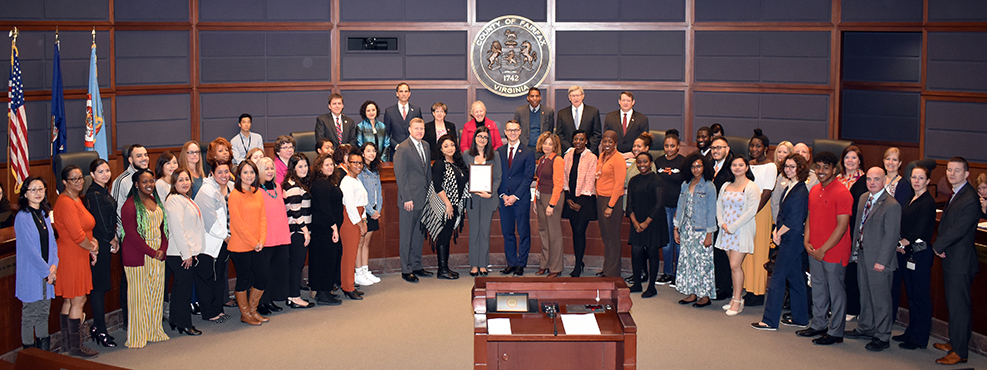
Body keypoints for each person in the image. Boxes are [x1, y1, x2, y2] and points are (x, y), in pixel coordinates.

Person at [796, 151, 853, 346]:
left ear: (834, 170)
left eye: (825, 168)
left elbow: (842, 226)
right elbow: (810, 217)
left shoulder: (843, 193)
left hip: (834, 251)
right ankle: (819, 324)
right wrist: (807, 240)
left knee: (836, 291)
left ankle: (836, 331)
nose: (820, 171)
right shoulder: (814, 190)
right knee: (818, 288)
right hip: (815, 248)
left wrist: (824, 249)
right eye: (817, 167)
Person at [843, 167, 901, 351]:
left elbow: (891, 237)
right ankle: (866, 327)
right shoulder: (863, 198)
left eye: (876, 179)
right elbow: (858, 227)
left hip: (879, 260)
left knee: (881, 299)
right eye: (869, 179)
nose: (872, 182)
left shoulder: (892, 205)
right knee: (865, 294)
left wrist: (882, 261)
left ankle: (882, 336)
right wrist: (854, 252)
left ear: (884, 181)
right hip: (862, 255)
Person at [931, 157, 981, 365]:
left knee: (960, 307)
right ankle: (954, 342)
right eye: (949, 170)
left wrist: (938, 245)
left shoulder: (969, 197)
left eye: (957, 171)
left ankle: (960, 352)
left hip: (960, 261)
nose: (952, 174)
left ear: (967, 174)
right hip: (951, 258)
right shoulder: (957, 193)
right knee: (953, 304)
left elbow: (958, 230)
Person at [752, 153, 810, 331]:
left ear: (800, 168)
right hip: (786, 236)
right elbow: (782, 214)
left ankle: (769, 321)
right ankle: (801, 318)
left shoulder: (801, 190)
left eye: (793, 167)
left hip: (793, 239)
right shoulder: (788, 187)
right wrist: (777, 231)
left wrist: (779, 233)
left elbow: (795, 220)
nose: (788, 170)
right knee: (796, 278)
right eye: (786, 166)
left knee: (777, 278)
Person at [52, 165, 100, 358]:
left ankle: (66, 344)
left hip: (79, 253)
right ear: (64, 182)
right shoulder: (65, 202)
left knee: (70, 299)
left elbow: (86, 228)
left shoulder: (76, 199)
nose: (79, 181)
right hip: (72, 255)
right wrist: (93, 247)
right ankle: (76, 347)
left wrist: (92, 244)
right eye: (74, 179)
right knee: (78, 299)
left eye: (80, 178)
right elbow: (77, 235)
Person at [120, 169, 170, 349]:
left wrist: (163, 248)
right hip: (138, 255)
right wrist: (152, 251)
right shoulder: (129, 206)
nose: (149, 185)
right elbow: (132, 236)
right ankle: (137, 336)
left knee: (156, 293)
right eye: (144, 182)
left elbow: (163, 228)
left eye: (151, 181)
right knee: (139, 297)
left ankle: (154, 331)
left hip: (158, 255)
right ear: (136, 184)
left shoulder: (156, 201)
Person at [892, 164, 936, 350]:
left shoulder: (928, 202)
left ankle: (919, 338)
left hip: (920, 255)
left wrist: (903, 243)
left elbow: (921, 229)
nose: (916, 181)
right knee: (911, 295)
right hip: (908, 253)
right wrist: (901, 243)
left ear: (928, 181)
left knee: (920, 297)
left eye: (920, 178)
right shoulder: (911, 198)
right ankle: (911, 331)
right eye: (914, 177)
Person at [16, 176, 58, 351]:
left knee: (43, 314)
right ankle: (30, 358)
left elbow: (53, 244)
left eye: (40, 189)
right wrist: (47, 271)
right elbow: (30, 250)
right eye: (33, 190)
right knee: (30, 315)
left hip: (48, 272)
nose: (37, 193)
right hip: (32, 273)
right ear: (25, 193)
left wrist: (54, 266)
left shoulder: (44, 214)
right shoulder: (21, 217)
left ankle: (44, 357)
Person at [421, 135, 470, 280]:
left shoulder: (458, 163)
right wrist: (448, 204)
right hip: (444, 206)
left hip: (455, 205)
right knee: (443, 236)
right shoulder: (439, 164)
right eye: (446, 146)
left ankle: (445, 268)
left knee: (447, 235)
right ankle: (442, 270)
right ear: (441, 149)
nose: (450, 148)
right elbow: (437, 185)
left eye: (452, 145)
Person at [715, 156, 759, 316]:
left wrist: (733, 226)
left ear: (747, 167)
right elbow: (719, 204)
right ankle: (734, 298)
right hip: (726, 230)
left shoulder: (751, 186)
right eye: (734, 165)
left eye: (741, 165)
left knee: (735, 265)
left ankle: (738, 300)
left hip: (741, 230)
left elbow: (751, 211)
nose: (737, 167)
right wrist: (722, 224)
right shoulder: (726, 185)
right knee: (731, 266)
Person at [163, 168, 205, 336]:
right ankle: (184, 324)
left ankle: (176, 320)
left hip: (186, 252)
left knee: (181, 288)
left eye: (187, 179)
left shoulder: (184, 198)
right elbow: (178, 229)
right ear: (174, 183)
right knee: (184, 290)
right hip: (178, 253)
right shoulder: (174, 200)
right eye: (180, 180)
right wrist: (186, 254)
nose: (185, 183)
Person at [228, 161, 269, 325]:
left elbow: (263, 219)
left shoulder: (257, 193)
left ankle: (253, 310)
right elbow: (238, 224)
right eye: (245, 173)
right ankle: (245, 314)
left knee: (262, 277)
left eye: (252, 172)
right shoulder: (235, 195)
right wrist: (254, 242)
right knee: (244, 279)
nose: (249, 176)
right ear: (239, 175)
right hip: (240, 246)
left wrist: (261, 240)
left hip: (257, 245)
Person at [673, 154, 717, 307]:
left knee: (703, 263)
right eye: (693, 166)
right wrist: (676, 228)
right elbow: (680, 207)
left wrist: (709, 234)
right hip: (686, 229)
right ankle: (691, 293)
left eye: (699, 166)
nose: (696, 169)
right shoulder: (685, 184)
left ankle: (704, 295)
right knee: (688, 261)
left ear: (704, 167)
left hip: (702, 230)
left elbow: (712, 211)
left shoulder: (709, 186)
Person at [393, 118, 434, 282]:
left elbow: (427, 173)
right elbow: (400, 177)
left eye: (422, 128)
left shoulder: (426, 145)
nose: (419, 131)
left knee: (418, 234)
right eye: (416, 128)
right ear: (409, 130)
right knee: (406, 235)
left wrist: (431, 194)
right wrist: (406, 198)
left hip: (423, 198)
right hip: (409, 200)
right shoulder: (402, 149)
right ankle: (406, 268)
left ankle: (417, 265)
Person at [82, 159, 118, 347]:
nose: (105, 174)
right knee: (98, 288)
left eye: (107, 170)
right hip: (99, 246)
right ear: (93, 175)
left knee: (102, 286)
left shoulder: (103, 190)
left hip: (104, 244)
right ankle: (100, 329)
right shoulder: (94, 194)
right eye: (100, 171)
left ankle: (98, 327)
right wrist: (112, 237)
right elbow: (101, 222)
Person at [194, 160, 234, 322]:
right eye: (220, 172)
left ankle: (218, 308)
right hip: (209, 242)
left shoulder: (229, 187)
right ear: (212, 173)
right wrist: (226, 237)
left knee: (219, 277)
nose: (224, 175)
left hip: (224, 242)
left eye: (226, 172)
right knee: (206, 278)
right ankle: (209, 312)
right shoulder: (206, 191)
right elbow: (211, 221)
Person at [498, 120, 536, 276]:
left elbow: (528, 178)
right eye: (509, 130)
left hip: (520, 200)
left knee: (523, 231)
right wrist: (503, 195)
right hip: (503, 199)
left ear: (520, 131)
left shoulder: (528, 152)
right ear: (505, 132)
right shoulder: (499, 151)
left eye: (515, 130)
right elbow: (497, 176)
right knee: (507, 232)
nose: (512, 133)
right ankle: (511, 263)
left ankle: (521, 263)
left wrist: (514, 196)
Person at [463, 126, 502, 276]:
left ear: (489, 140)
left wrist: (490, 193)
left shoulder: (495, 155)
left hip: (487, 198)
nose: (482, 140)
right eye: (480, 136)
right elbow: (464, 175)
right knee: (474, 231)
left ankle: (483, 264)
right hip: (472, 198)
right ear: (474, 138)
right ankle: (474, 264)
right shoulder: (466, 155)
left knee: (485, 231)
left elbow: (498, 177)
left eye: (485, 137)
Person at [254, 157, 291, 315]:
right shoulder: (256, 190)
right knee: (264, 271)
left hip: (281, 234)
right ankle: (261, 302)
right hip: (265, 237)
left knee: (277, 269)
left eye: (271, 169)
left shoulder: (277, 186)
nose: (269, 172)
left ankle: (270, 299)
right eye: (266, 169)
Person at [626, 152, 666, 297]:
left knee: (652, 252)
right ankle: (637, 283)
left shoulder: (657, 180)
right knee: (636, 252)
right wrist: (636, 222)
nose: (642, 165)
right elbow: (629, 203)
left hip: (653, 221)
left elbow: (659, 204)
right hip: (636, 221)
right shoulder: (634, 180)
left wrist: (646, 222)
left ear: (650, 163)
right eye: (639, 162)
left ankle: (651, 287)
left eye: (645, 162)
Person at [745, 129, 777, 303]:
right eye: (752, 145)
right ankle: (748, 287)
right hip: (748, 210)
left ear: (765, 148)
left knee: (759, 251)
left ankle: (757, 291)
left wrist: (753, 211)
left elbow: (766, 192)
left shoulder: (771, 166)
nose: (754, 148)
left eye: (758, 146)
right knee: (748, 250)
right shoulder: (749, 164)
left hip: (760, 210)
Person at [562, 130, 598, 277]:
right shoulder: (568, 155)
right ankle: (579, 262)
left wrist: (580, 203)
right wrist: (569, 198)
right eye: (575, 139)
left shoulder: (591, 157)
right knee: (574, 232)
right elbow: (564, 176)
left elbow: (590, 180)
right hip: (570, 199)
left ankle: (578, 265)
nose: (578, 142)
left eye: (581, 139)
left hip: (585, 201)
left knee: (579, 232)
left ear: (586, 141)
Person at [281, 154, 315, 308]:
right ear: (293, 168)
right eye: (300, 166)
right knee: (296, 265)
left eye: (305, 165)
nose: (304, 169)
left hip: (299, 231)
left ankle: (291, 295)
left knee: (295, 265)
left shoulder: (297, 183)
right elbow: (296, 212)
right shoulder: (293, 186)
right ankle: (294, 297)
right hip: (297, 232)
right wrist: (305, 231)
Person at [308, 153, 342, 304]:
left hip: (326, 228)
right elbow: (325, 208)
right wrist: (334, 227)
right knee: (323, 260)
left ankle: (326, 289)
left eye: (331, 164)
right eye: (326, 165)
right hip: (324, 229)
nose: (330, 167)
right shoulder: (321, 184)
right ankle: (322, 293)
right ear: (320, 167)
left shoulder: (326, 182)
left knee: (328, 259)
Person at [838, 145, 867, 321]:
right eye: (847, 157)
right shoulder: (838, 178)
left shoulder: (865, 180)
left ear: (860, 161)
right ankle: (839, 304)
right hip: (836, 229)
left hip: (854, 229)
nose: (850, 161)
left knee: (851, 269)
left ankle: (852, 307)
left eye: (854, 158)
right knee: (838, 269)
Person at [655, 130, 686, 287]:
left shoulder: (683, 162)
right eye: (666, 146)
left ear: (678, 146)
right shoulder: (658, 161)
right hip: (662, 207)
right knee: (667, 242)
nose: (669, 149)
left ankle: (678, 275)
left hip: (678, 207)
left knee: (678, 241)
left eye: (672, 146)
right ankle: (667, 273)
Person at [534, 132, 565, 278]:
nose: (547, 146)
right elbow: (538, 181)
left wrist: (551, 205)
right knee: (543, 232)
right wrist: (535, 200)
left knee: (554, 234)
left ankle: (556, 267)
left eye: (550, 144)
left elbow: (559, 184)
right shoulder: (542, 159)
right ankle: (545, 264)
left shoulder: (557, 160)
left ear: (555, 147)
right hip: (541, 198)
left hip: (553, 198)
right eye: (545, 143)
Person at [597, 130, 627, 278]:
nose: (607, 144)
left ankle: (613, 273)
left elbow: (619, 184)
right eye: (605, 141)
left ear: (615, 144)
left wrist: (610, 206)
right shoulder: (602, 156)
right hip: (601, 199)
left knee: (613, 238)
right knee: (606, 237)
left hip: (612, 201)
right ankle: (607, 268)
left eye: (610, 142)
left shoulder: (618, 159)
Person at [340, 150, 370, 297]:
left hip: (358, 218)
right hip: (350, 221)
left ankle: (350, 283)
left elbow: (362, 204)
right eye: (354, 163)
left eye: (360, 163)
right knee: (349, 255)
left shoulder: (356, 180)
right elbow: (351, 207)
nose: (358, 165)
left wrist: (364, 219)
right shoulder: (346, 182)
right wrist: (360, 224)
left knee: (352, 254)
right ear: (348, 163)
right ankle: (347, 287)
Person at [709, 136, 734, 301]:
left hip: (727, 216)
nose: (716, 151)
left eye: (719, 148)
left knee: (723, 253)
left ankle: (725, 288)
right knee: (713, 252)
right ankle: (716, 284)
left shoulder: (732, 167)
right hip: (710, 214)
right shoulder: (708, 166)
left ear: (727, 149)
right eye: (713, 148)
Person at [356, 143, 383, 284]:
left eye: (373, 151)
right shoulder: (359, 171)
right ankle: (358, 272)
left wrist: (378, 209)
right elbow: (361, 194)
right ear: (362, 153)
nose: (371, 153)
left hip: (374, 211)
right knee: (360, 242)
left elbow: (379, 192)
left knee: (367, 242)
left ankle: (365, 270)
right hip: (365, 212)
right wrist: (371, 211)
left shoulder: (375, 170)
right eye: (368, 151)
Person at [556, 85, 602, 153]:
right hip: (569, 153)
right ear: (569, 98)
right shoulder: (562, 114)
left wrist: (588, 150)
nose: (576, 98)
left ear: (583, 96)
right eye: (573, 96)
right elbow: (559, 134)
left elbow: (597, 134)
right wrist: (569, 149)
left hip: (589, 153)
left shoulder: (593, 112)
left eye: (578, 95)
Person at [604, 91, 649, 156]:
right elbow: (607, 138)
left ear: (633, 102)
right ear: (619, 101)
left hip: (634, 156)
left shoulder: (642, 119)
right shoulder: (610, 117)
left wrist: (633, 153)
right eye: (623, 100)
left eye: (628, 100)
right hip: (614, 155)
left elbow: (644, 140)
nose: (625, 103)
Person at [384, 82, 423, 156]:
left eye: (406, 91)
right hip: (396, 151)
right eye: (401, 91)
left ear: (409, 94)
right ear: (397, 94)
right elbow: (386, 134)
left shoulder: (416, 110)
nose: (404, 94)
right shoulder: (389, 111)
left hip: (414, 150)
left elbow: (420, 130)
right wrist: (396, 145)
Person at [513, 87, 555, 152]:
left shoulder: (548, 111)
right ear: (528, 98)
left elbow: (550, 130)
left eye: (537, 96)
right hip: (524, 148)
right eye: (532, 96)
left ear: (540, 97)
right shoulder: (520, 111)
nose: (534, 98)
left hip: (542, 149)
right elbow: (515, 129)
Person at [769, 141, 795, 222]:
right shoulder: (772, 168)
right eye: (779, 152)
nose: (781, 154)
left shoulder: (791, 173)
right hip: (770, 207)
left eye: (784, 152)